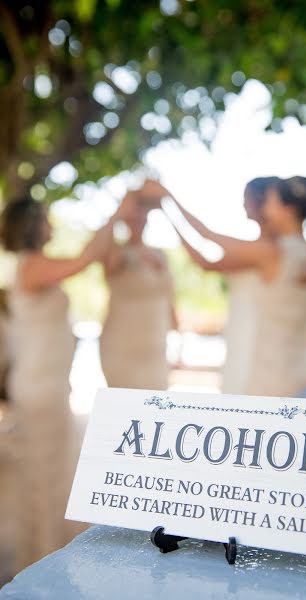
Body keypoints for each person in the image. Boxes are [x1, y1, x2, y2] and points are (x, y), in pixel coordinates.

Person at [0, 197, 121, 570]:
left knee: (52, 470)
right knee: (45, 473)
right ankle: (44, 556)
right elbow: (84, 260)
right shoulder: (33, 265)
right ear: (34, 226)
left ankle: (47, 551)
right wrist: (117, 212)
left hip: (49, 383)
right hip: (38, 386)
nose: (52, 226)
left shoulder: (33, 266)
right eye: (47, 220)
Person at [143, 176, 306, 397]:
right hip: (305, 371)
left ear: (287, 209)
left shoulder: (271, 252)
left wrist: (169, 198)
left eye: (271, 202)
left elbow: (207, 236)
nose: (266, 209)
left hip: (270, 376)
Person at [100, 190, 177, 390]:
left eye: (141, 214)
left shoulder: (160, 254)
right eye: (133, 215)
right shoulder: (115, 252)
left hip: (155, 343)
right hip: (121, 344)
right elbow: (107, 264)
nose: (138, 220)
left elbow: (170, 298)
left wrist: (178, 338)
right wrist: (117, 215)